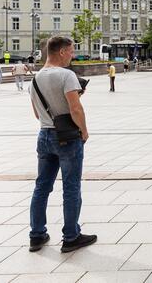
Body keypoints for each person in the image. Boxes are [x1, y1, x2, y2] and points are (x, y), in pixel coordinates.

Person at [28, 36, 97, 253]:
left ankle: (37, 235)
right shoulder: (66, 75)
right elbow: (75, 109)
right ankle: (71, 236)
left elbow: (37, 113)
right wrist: (84, 131)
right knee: (71, 187)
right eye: (71, 51)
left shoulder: (36, 78)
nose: (72, 55)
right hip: (67, 138)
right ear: (61, 52)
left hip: (44, 136)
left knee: (41, 187)